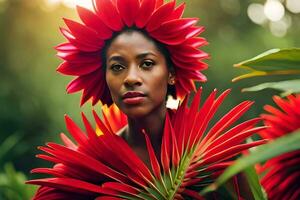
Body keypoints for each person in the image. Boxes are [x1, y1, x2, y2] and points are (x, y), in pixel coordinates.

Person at [27, 0, 264, 199]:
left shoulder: (220, 161)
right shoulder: (78, 171)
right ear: (105, 77)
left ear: (171, 73)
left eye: (147, 64)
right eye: (117, 67)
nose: (130, 78)